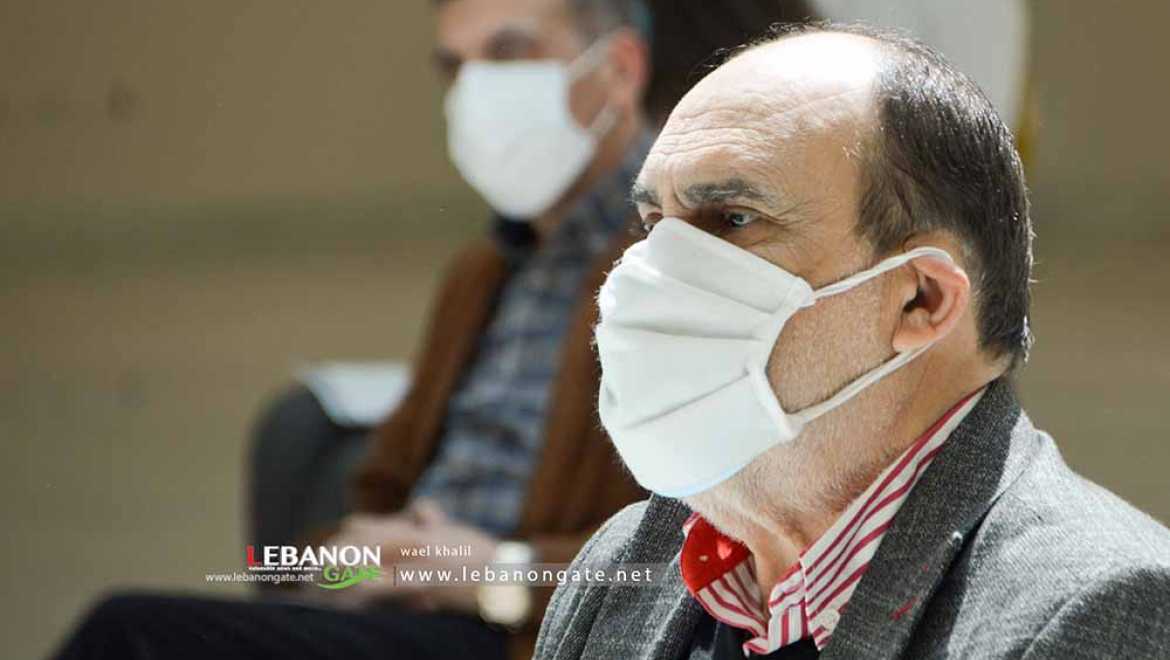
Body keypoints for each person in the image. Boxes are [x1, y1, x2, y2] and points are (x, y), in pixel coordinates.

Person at [536, 23, 1170, 660]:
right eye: (654, 224)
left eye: (733, 220)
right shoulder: (620, 572)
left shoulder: (1091, 603)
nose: (657, 273)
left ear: (922, 299)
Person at [54, 1, 654, 658]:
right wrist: (353, 568)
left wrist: (493, 577)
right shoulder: (479, 274)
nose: (474, 89)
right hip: (408, 612)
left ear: (620, 70)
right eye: (454, 67)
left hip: (526, 634)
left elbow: (686, 565)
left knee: (130, 632)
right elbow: (368, 508)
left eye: (507, 53)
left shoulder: (681, 264)